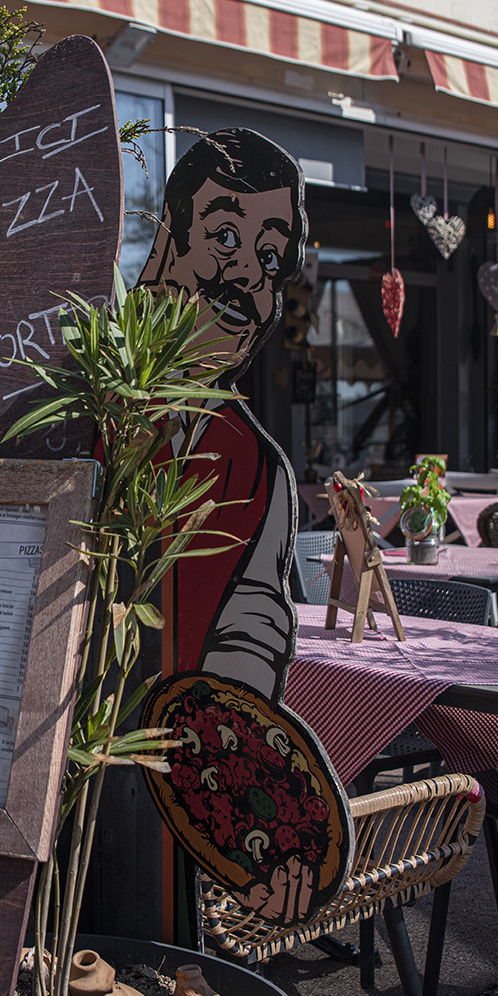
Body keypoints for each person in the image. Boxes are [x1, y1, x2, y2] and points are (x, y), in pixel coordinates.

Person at [139, 128, 308, 703]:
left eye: (268, 259)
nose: (248, 279)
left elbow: (254, 627)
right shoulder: (91, 414)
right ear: (168, 241)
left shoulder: (262, 471)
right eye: (225, 237)